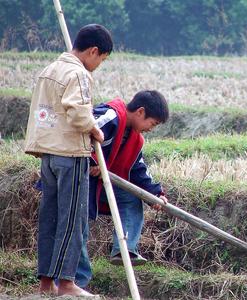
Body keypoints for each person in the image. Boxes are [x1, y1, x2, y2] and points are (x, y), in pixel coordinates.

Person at [24, 24, 113, 297]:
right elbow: (78, 113)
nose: (98, 65)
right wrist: (95, 130)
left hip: (48, 154)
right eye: (101, 59)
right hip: (71, 155)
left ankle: (45, 283)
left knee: (50, 218)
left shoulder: (49, 70)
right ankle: (66, 283)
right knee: (72, 220)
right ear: (93, 51)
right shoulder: (79, 74)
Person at [75, 90, 169, 288]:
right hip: (77, 179)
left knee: (130, 197)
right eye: (152, 124)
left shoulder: (135, 140)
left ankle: (123, 249)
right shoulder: (110, 116)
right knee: (78, 228)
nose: (151, 129)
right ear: (140, 112)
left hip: (101, 181)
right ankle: (77, 282)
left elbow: (138, 169)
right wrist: (91, 161)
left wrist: (155, 194)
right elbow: (79, 131)